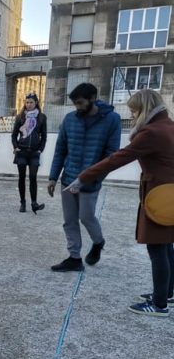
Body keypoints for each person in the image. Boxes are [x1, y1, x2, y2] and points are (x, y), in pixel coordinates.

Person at [67, 89, 174, 317]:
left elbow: (117, 158)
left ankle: (159, 305)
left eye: (134, 111)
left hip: (159, 196)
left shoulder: (152, 132)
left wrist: (84, 176)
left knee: (157, 248)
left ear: (145, 109)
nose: (132, 116)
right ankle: (166, 294)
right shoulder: (168, 125)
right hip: (169, 194)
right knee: (167, 247)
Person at [48, 82, 121, 272]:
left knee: (86, 217)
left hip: (90, 182)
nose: (77, 107)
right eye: (75, 104)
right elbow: (60, 150)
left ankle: (98, 242)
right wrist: (53, 177)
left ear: (93, 99)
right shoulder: (70, 119)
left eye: (80, 103)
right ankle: (74, 258)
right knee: (69, 220)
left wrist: (95, 178)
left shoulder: (112, 120)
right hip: (68, 178)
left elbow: (111, 155)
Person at [11, 93, 47, 213]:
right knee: (21, 177)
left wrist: (40, 149)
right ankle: (23, 202)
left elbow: (44, 136)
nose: (29, 104)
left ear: (36, 103)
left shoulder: (41, 117)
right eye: (27, 102)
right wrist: (16, 147)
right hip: (22, 152)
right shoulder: (20, 117)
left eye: (31, 102)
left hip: (34, 153)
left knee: (33, 177)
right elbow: (14, 134)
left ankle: (34, 203)